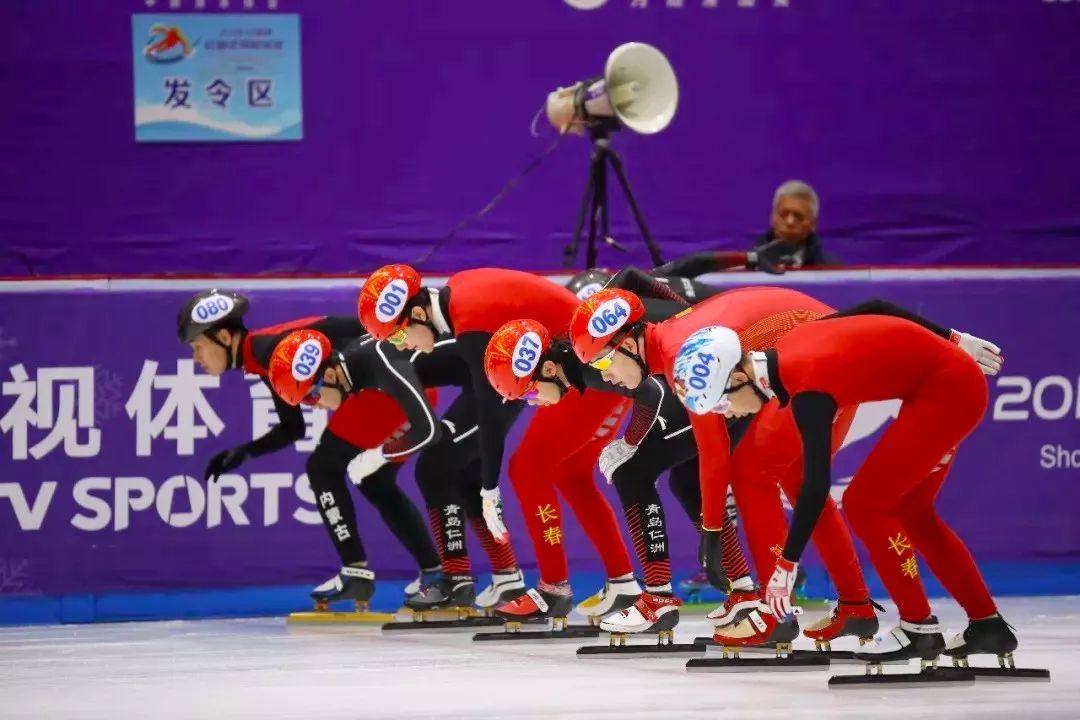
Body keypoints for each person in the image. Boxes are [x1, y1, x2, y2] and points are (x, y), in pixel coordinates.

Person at [670, 304, 1010, 665]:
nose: (729, 414)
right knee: (912, 511)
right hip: (944, 385)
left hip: (947, 393)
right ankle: (988, 625)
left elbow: (817, 486)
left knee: (867, 505)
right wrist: (951, 337)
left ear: (739, 377)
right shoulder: (788, 348)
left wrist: (786, 565)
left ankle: (918, 628)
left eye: (722, 403)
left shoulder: (808, 389)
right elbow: (874, 305)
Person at [568, 286, 879, 647]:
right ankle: (856, 605)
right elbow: (712, 450)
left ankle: (775, 614)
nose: (603, 376)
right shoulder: (671, 343)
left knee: (754, 474)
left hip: (821, 355)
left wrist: (712, 532)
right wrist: (710, 531)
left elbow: (713, 454)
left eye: (603, 362)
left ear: (629, 342)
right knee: (796, 479)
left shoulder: (680, 353)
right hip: (828, 352)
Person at [357, 265, 637, 624]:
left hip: (584, 372)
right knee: (572, 475)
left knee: (528, 470)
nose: (404, 346)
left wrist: (490, 488)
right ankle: (622, 581)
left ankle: (554, 588)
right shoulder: (456, 292)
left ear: (417, 313)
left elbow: (490, 409)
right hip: (596, 366)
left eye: (398, 337)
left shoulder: (470, 322)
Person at [177, 290, 441, 608]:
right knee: (376, 481)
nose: (196, 359)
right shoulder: (263, 356)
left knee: (323, 467)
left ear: (222, 336)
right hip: (403, 391)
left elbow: (356, 327)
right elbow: (294, 429)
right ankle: (433, 573)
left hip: (394, 391)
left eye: (198, 347)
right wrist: (244, 452)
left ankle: (356, 572)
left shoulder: (273, 349)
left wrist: (407, 364)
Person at [268, 328, 529, 613]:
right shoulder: (358, 362)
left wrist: (377, 456)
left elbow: (428, 431)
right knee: (463, 473)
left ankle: (456, 580)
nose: (315, 407)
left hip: (499, 377)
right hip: (490, 374)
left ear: (329, 376)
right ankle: (507, 579)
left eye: (311, 398)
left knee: (435, 466)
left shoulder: (379, 360)